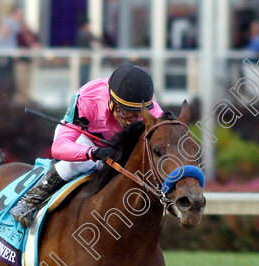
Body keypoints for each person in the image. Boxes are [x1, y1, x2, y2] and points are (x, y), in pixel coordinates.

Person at [9, 63, 163, 228]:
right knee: (77, 163)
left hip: (121, 145)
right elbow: (59, 147)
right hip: (86, 139)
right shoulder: (88, 98)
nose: (130, 120)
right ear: (111, 101)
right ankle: (29, 201)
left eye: (138, 114)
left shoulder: (155, 113)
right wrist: (94, 152)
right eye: (124, 112)